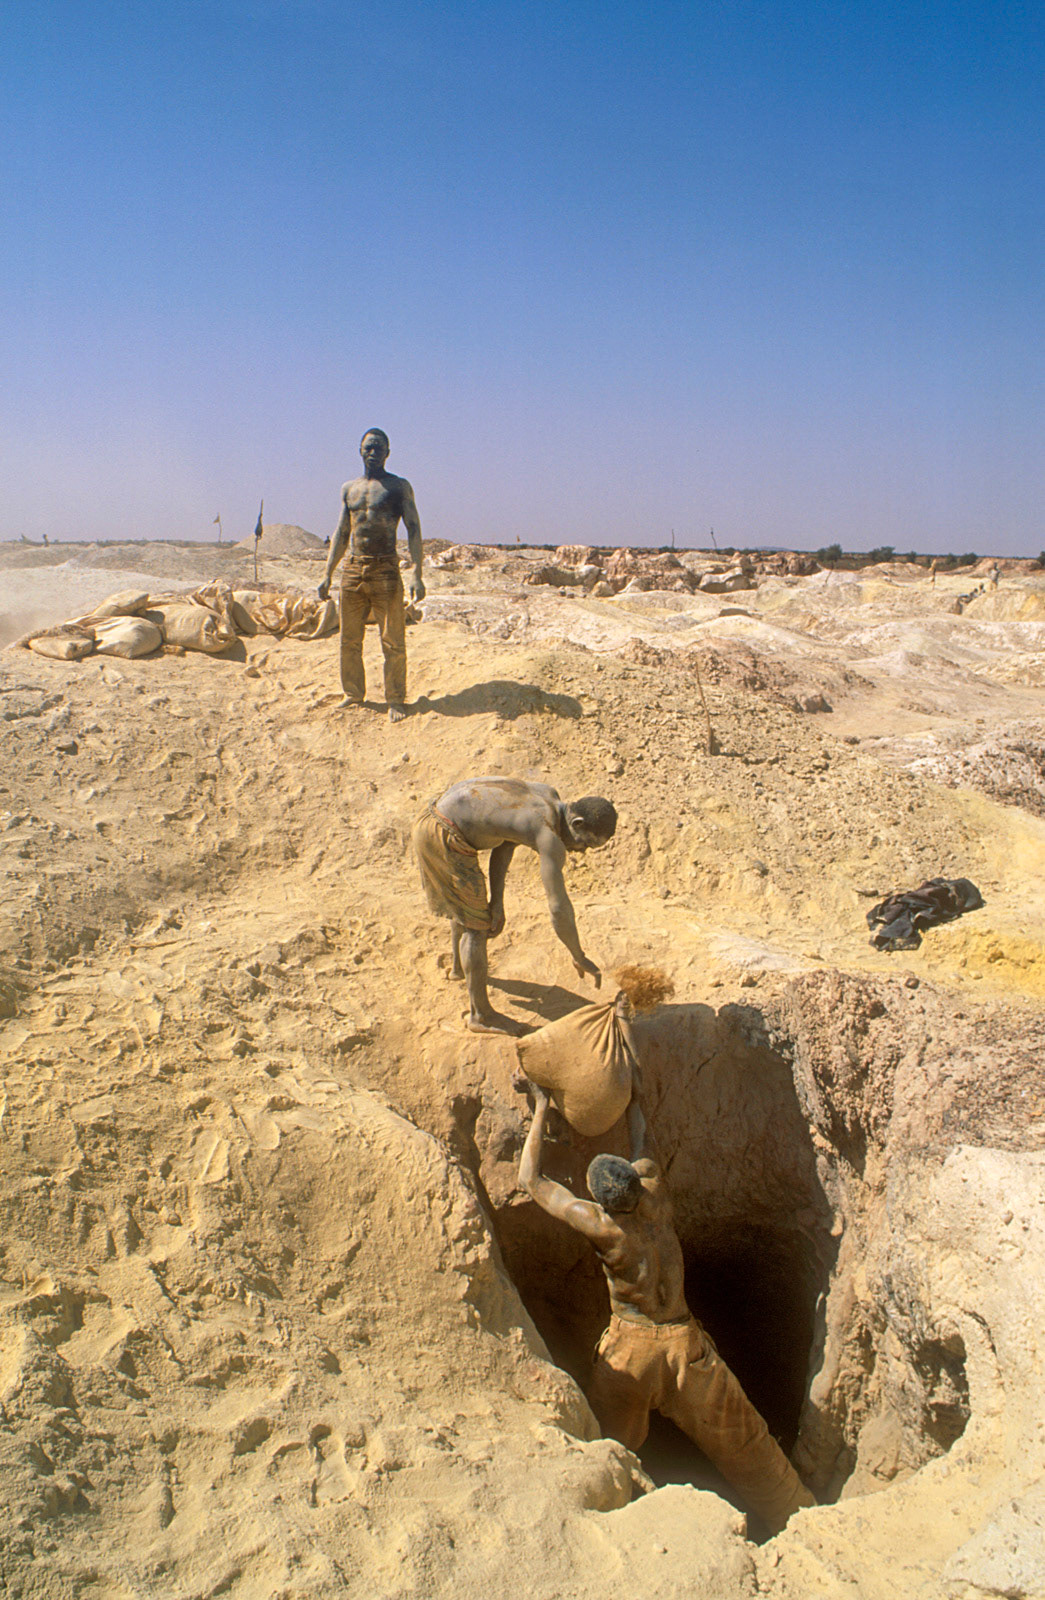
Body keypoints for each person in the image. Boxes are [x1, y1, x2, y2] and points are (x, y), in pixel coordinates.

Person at [519, 1081, 816, 1535]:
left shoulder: (602, 1227)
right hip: (685, 1347)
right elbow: (644, 1141)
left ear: (602, 1203)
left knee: (609, 1453)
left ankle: (615, 1532)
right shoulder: (657, 1194)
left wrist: (541, 1108)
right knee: (750, 1446)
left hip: (631, 1351)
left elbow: (532, 1182)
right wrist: (634, 1097)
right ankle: (804, 1522)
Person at [412, 776, 616, 1033]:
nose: (582, 850)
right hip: (445, 834)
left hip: (436, 815)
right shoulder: (547, 834)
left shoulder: (547, 795)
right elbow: (557, 907)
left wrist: (497, 901)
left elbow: (506, 840)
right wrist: (579, 955)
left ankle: (458, 969)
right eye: (585, 842)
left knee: (468, 905)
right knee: (477, 928)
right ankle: (481, 1016)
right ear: (577, 823)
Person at [318, 429, 424, 722]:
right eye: (368, 447)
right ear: (360, 451)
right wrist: (327, 573)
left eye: (379, 448)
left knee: (392, 640)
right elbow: (341, 532)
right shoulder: (348, 489)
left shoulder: (399, 487)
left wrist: (417, 573)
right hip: (353, 570)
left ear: (388, 452)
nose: (373, 452)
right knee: (349, 638)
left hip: (386, 570)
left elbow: (414, 529)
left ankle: (395, 699)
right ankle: (353, 693)